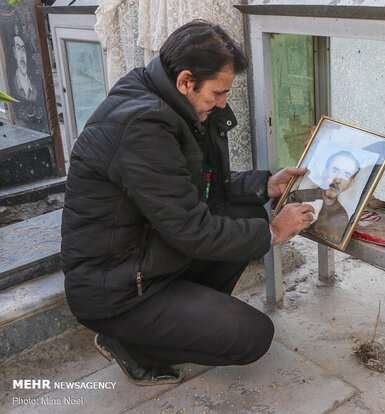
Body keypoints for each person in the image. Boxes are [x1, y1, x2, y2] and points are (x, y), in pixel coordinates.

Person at [60, 20, 315, 386]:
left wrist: (266, 185)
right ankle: (133, 345)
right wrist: (274, 231)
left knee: (245, 211)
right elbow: (192, 229)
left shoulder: (169, 99)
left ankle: (178, 322)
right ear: (185, 81)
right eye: (217, 93)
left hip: (146, 259)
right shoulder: (143, 126)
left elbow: (199, 190)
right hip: (116, 290)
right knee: (253, 337)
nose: (223, 102)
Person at [286, 150, 360, 241]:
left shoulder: (341, 217)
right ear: (324, 172)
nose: (337, 180)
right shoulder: (297, 196)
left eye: (346, 174)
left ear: (351, 184)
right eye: (335, 170)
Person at [10, 32, 37, 101]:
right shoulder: (13, 84)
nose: (22, 55)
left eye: (23, 49)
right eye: (18, 48)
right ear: (14, 52)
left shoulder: (34, 88)